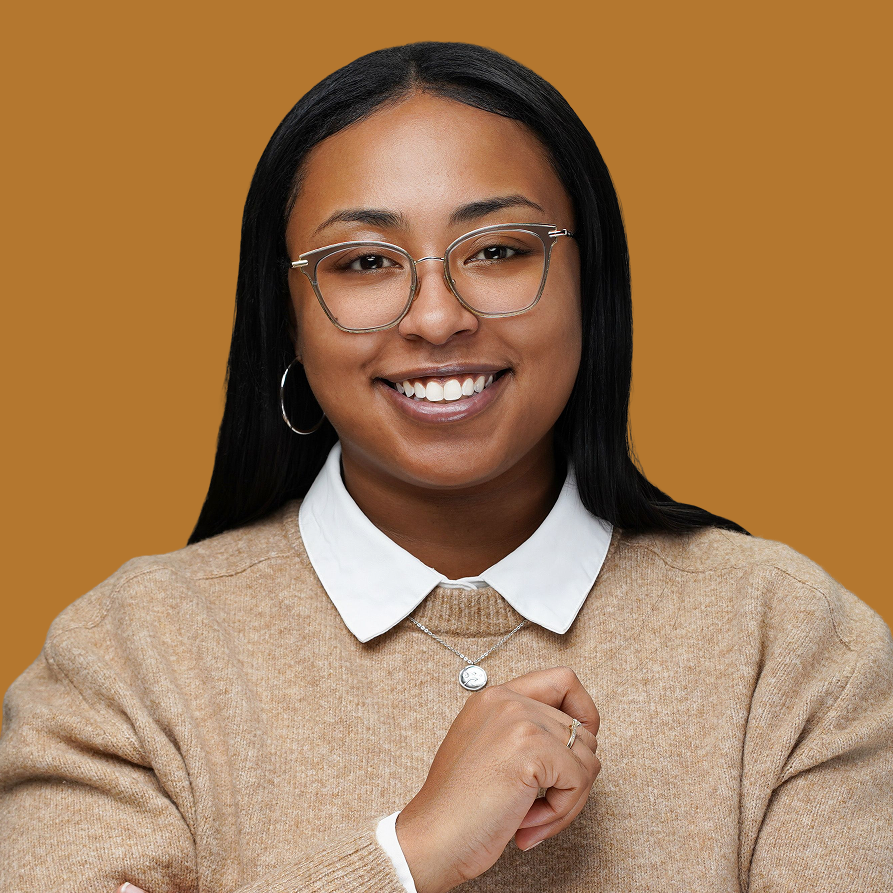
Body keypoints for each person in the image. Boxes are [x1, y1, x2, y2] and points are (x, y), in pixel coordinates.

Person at [0, 41, 891, 893]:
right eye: (362, 262)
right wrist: (409, 852)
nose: (436, 318)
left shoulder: (792, 645)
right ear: (288, 318)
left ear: (593, 284)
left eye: (500, 250)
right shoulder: (128, 660)